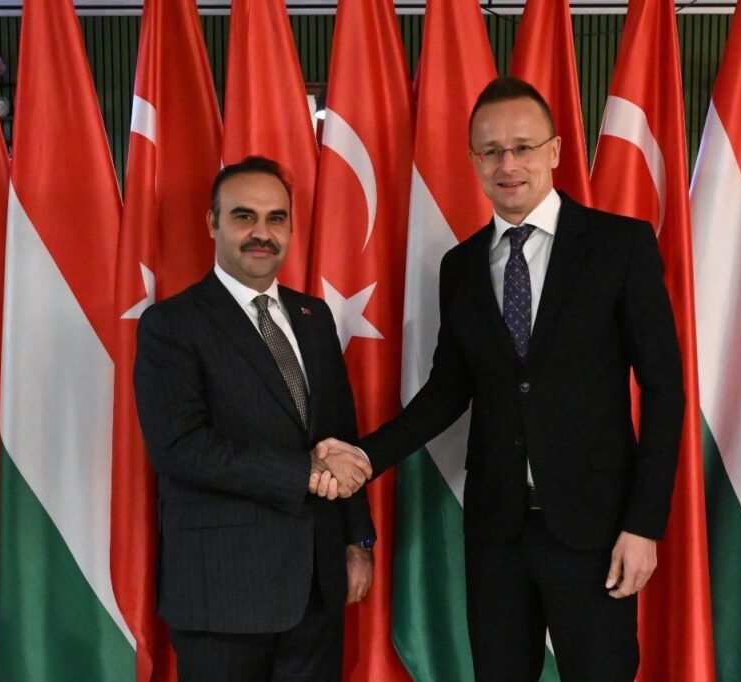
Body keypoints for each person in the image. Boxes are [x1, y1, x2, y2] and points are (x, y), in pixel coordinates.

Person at [315, 77, 684, 681]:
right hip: (497, 533)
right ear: (474, 161)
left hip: (595, 532)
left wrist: (643, 525)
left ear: (555, 150)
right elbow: (445, 393)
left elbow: (665, 393)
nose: (507, 163)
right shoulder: (459, 267)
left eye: (523, 146)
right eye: (491, 151)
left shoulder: (620, 245)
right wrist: (362, 455)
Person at [134, 155, 376, 682]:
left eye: (276, 218)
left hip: (316, 585)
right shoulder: (171, 325)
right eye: (244, 217)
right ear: (213, 223)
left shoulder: (314, 317)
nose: (261, 233)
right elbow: (180, 448)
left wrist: (357, 540)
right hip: (222, 592)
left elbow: (340, 432)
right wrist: (303, 473)